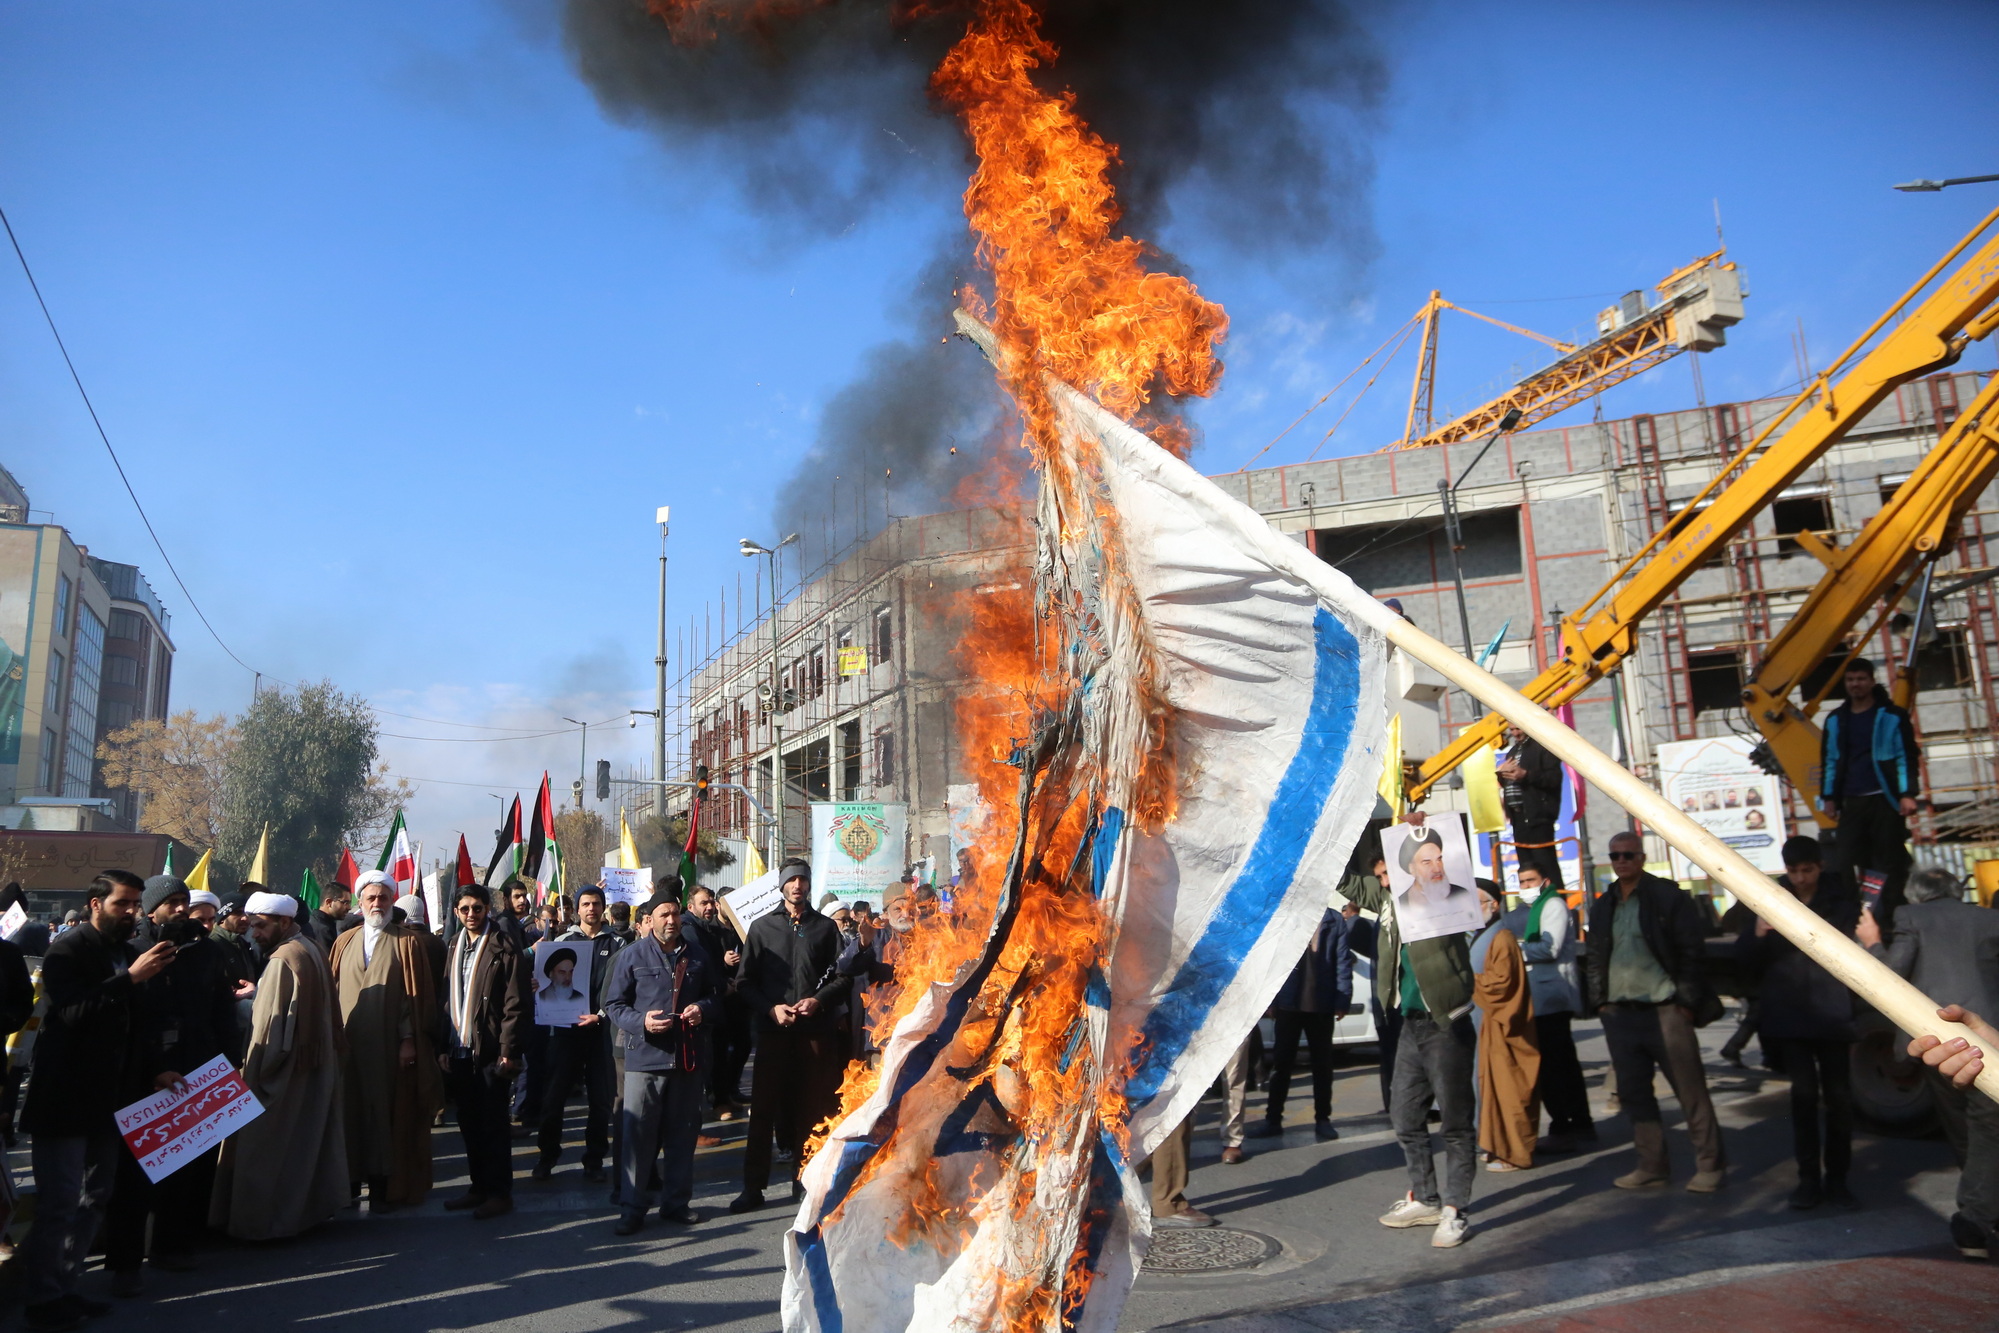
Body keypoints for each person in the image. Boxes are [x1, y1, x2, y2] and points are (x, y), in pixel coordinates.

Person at [18, 871, 176, 1333]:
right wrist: (129, 979)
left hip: (112, 1099)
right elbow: (72, 1013)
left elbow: (133, 1026)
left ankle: (67, 1288)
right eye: (121, 904)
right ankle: (42, 1298)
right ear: (94, 904)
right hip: (66, 1099)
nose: (131, 912)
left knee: (95, 1197)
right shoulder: (67, 951)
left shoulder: (126, 953)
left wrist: (155, 1070)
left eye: (134, 905)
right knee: (61, 1202)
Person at [1344, 820, 1477, 1249]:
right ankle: (1426, 1197)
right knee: (1404, 1115)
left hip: (1447, 1021)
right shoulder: (1387, 901)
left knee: (1455, 1123)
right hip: (1410, 1024)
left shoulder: (1447, 896)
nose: (1385, 881)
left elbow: (1448, 850)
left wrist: (1419, 827)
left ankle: (1456, 1210)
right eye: (1381, 876)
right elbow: (1342, 879)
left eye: (1389, 874)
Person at [105, 874, 242, 1294]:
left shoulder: (205, 953)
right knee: (134, 1172)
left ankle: (174, 1244)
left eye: (185, 900)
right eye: (172, 903)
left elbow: (221, 1010)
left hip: (197, 1066)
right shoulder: (132, 951)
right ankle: (124, 1262)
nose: (181, 909)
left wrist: (229, 1064)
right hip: (142, 1072)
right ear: (150, 909)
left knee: (190, 1162)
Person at [1859, 866, 1999, 1256]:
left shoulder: (1910, 916)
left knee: (1961, 1127)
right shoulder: (1989, 919)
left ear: (1917, 895)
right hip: (1988, 1038)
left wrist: (1871, 943)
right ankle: (1984, 1210)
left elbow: (1889, 976)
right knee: (1986, 1125)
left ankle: (1974, 1218)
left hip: (1936, 1042)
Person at [1586, 830, 1726, 1192]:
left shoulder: (1666, 897)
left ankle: (1709, 1165)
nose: (1621, 862)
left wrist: (1685, 1004)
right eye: (1615, 856)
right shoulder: (1604, 904)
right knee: (1634, 1094)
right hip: (1621, 1012)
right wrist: (1601, 1003)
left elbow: (1692, 952)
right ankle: (1651, 1165)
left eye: (1628, 855)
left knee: (1689, 1090)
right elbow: (1596, 957)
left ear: (1642, 857)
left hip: (1666, 1010)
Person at [210, 891, 350, 1241]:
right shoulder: (310, 948)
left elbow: (270, 1032)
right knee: (305, 1149)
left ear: (284, 922)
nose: (253, 932)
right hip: (314, 1070)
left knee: (264, 1153)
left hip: (283, 1077)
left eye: (260, 926)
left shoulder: (281, 961)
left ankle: (261, 1225)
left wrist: (254, 1077)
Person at [1740, 835, 1859, 1210]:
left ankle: (1837, 1179)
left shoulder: (1840, 901)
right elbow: (1745, 958)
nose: (1801, 878)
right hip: (1790, 1015)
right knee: (1803, 1099)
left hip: (1832, 1012)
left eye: (1807, 870)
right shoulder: (1771, 900)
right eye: (1793, 871)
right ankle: (1808, 1179)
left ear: (1820, 867)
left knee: (1839, 1099)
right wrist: (1758, 933)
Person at [731, 860, 851, 1214]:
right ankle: (753, 1187)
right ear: (782, 886)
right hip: (773, 1033)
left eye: (803, 880)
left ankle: (805, 1183)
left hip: (815, 1034)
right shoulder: (762, 928)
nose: (797, 886)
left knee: (811, 1110)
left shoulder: (826, 928)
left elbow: (842, 978)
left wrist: (818, 1000)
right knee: (763, 1111)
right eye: (792, 880)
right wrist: (771, 1009)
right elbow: (744, 982)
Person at [329, 870, 445, 1214]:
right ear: (360, 902)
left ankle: (383, 1186)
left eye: (383, 897)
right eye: (371, 898)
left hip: (389, 1049)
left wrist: (408, 1040)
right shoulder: (344, 941)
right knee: (347, 1115)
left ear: (392, 901)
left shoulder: (406, 942)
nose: (377, 903)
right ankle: (347, 1185)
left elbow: (414, 999)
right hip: (347, 1049)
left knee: (387, 1115)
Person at [606, 893, 722, 1233]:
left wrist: (703, 1008)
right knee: (638, 1138)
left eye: (675, 914)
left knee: (682, 1136)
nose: (671, 920)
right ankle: (632, 1208)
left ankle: (676, 1204)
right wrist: (641, 1022)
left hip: (687, 1060)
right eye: (663, 915)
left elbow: (717, 996)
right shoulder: (632, 956)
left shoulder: (698, 956)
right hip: (644, 1060)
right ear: (650, 919)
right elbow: (613, 1004)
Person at [440, 883, 530, 1219]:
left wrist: (509, 1048)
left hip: (492, 1051)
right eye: (464, 909)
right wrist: (442, 1045)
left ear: (487, 909)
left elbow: (516, 1002)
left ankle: (499, 1192)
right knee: (468, 1123)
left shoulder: (504, 946)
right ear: (456, 912)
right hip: (459, 1049)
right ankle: (478, 1187)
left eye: (477, 908)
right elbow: (446, 1000)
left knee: (493, 1125)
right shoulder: (453, 945)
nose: (471, 915)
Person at [1818, 657, 1920, 923]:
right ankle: (1860, 918)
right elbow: (1829, 760)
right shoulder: (1836, 720)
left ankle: (1895, 918)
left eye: (1861, 679)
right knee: (1849, 862)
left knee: (1889, 861)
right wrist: (1828, 798)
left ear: (1872, 681)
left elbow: (1905, 756)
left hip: (1884, 800)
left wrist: (1907, 793)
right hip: (1852, 802)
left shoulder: (1892, 716)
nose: (1856, 684)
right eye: (1851, 680)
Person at [536, 884, 623, 1183]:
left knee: (600, 1100)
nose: (591, 909)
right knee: (554, 1098)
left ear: (603, 907)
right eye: (586, 904)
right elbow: (541, 980)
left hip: (601, 1032)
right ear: (577, 909)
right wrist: (537, 986)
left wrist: (600, 1015)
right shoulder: (561, 941)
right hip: (564, 1031)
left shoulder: (618, 944)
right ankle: (547, 1157)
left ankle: (594, 1159)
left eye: (596, 903)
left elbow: (622, 988)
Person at [1249, 902, 1352, 1143]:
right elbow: (1274, 960)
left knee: (1322, 1066)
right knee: (1282, 1065)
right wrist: (1271, 999)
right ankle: (1273, 1120)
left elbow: (1343, 961)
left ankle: (1323, 1120)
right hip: (1289, 1002)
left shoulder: (1333, 920)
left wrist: (1342, 998)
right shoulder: (1286, 916)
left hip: (1321, 1003)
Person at [1516, 859, 1592, 1154]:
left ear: (1545, 881)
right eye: (1521, 882)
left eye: (1530, 881)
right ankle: (1576, 1123)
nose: (1525, 888)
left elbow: (1549, 948)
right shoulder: (1538, 908)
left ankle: (1566, 1124)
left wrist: (1517, 948)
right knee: (1562, 1064)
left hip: (1553, 997)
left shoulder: (1553, 906)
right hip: (1544, 998)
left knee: (1556, 1066)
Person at [1471, 883, 1539, 1173]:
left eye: (1476, 901)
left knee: (1509, 1090)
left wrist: (1467, 979)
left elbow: (1501, 986)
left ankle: (1514, 1152)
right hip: (1484, 1027)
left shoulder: (1503, 938)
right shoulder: (1480, 935)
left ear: (1494, 905)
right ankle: (1494, 1145)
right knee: (1485, 1088)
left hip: (1502, 1027)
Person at [685, 885, 748, 1118]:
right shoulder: (691, 930)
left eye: (711, 902)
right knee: (711, 1056)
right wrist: (723, 978)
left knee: (728, 1050)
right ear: (691, 907)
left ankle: (725, 1095)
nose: (710, 906)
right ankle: (714, 1102)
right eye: (704, 903)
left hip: (723, 999)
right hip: (705, 1003)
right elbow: (703, 965)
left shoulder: (708, 930)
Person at [1497, 725, 1563, 863]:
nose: (1515, 733)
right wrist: (1502, 775)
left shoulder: (1543, 748)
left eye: (1518, 729)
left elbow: (1553, 778)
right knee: (1526, 864)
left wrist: (1526, 775)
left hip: (1537, 816)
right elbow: (1509, 782)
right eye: (1512, 730)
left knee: (1545, 862)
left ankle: (1553, 885)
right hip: (1517, 817)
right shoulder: (1513, 752)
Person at [309, 881, 358, 954]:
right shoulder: (322, 930)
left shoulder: (324, 923)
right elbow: (328, 963)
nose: (349, 907)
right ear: (329, 902)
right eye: (345, 903)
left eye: (349, 903)